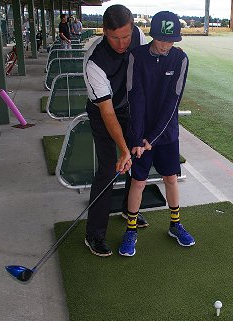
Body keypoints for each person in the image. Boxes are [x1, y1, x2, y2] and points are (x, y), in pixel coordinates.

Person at [119, 11, 195, 257]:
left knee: (170, 179)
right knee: (138, 182)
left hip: (166, 134)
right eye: (162, 39)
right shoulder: (136, 57)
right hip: (140, 134)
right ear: (153, 36)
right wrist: (138, 137)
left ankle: (175, 225)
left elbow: (172, 103)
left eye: (171, 40)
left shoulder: (180, 59)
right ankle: (131, 230)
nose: (166, 45)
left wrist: (151, 138)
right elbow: (135, 97)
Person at [83, 4, 149, 257]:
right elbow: (107, 112)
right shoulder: (94, 62)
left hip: (129, 107)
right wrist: (122, 149)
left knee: (136, 155)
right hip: (104, 111)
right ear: (104, 32)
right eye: (114, 38)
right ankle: (94, 234)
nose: (122, 44)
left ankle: (127, 208)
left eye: (126, 36)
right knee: (110, 166)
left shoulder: (139, 38)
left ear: (133, 28)